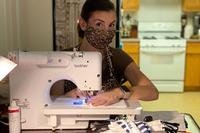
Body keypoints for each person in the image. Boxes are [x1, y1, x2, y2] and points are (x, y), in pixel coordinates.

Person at [63, 0, 159, 106]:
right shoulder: (63, 58)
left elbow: (152, 91)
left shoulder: (118, 57)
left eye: (111, 25)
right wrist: (65, 97)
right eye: (99, 24)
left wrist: (118, 92)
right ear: (83, 24)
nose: (106, 31)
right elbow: (50, 100)